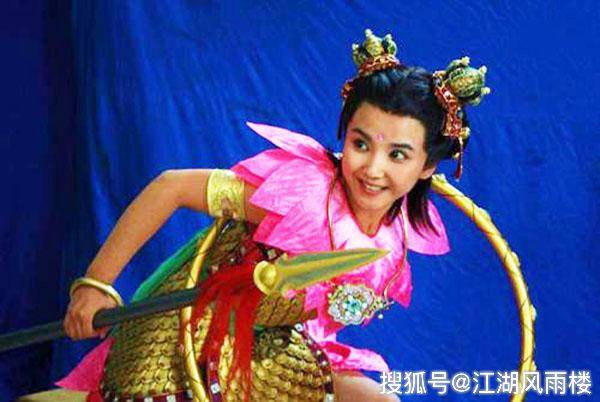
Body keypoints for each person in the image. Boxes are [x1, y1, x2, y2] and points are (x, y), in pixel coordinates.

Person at [60, 29, 489, 402]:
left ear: (428, 167)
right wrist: (95, 284)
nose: (373, 169)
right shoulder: (299, 198)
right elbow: (171, 186)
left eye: (398, 155)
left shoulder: (398, 236)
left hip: (273, 350)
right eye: (360, 144)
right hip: (188, 342)